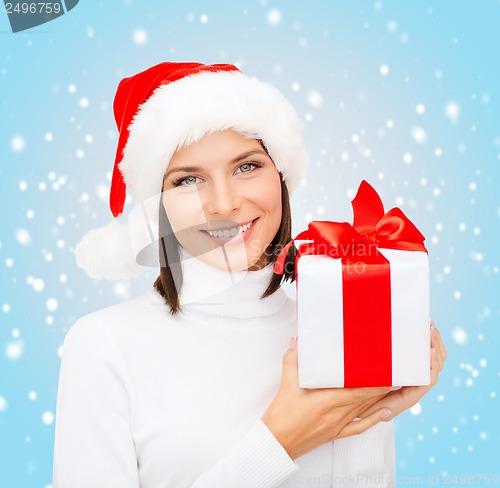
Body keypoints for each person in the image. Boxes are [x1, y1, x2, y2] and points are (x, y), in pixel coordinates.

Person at [52, 62, 447, 488]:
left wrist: (373, 410)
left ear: (280, 175)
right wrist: (280, 442)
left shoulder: (334, 322)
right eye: (187, 180)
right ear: (157, 204)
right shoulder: (104, 345)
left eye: (246, 167)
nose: (223, 204)